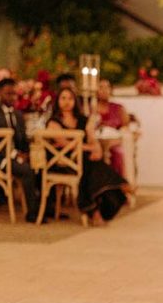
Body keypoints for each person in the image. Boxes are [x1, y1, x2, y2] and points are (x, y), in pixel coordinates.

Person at [46, 88, 130, 225]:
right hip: (65, 161)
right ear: (58, 101)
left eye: (70, 98)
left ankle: (96, 211)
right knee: (91, 165)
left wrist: (96, 148)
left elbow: (92, 138)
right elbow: (64, 143)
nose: (67, 102)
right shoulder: (54, 122)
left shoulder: (82, 120)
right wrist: (89, 148)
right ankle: (118, 185)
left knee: (91, 166)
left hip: (84, 160)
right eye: (63, 98)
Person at [0, 78, 42, 222]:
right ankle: (32, 213)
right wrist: (14, 154)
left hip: (15, 156)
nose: (12, 97)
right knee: (26, 170)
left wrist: (27, 154)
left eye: (14, 94)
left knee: (40, 164)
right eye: (8, 94)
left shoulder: (17, 114)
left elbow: (23, 140)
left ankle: (44, 207)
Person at [96, 78, 131, 176]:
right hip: (97, 142)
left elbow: (125, 128)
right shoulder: (91, 108)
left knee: (117, 152)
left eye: (107, 87)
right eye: (101, 87)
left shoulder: (118, 108)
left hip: (115, 141)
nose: (104, 90)